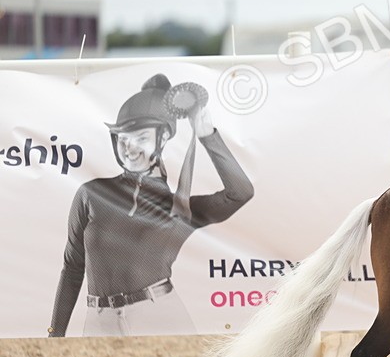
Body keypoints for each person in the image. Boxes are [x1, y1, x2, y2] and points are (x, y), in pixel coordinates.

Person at [48, 74, 254, 337]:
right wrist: (55, 333)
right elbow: (73, 267)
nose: (129, 148)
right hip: (99, 321)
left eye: (141, 138)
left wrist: (207, 136)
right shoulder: (91, 194)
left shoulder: (179, 207)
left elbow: (241, 193)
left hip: (161, 316)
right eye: (123, 138)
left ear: (163, 136)